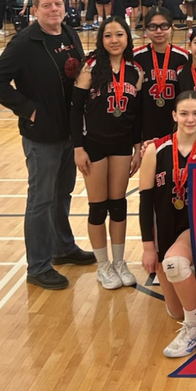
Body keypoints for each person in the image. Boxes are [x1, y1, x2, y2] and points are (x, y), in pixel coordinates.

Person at [0, 0, 97, 290]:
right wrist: (29, 110)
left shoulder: (70, 34)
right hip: (42, 136)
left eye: (57, 4)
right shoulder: (24, 42)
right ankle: (38, 266)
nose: (53, 10)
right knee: (40, 200)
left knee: (62, 195)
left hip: (69, 134)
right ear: (34, 10)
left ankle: (63, 248)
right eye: (46, 6)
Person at [70, 16, 142, 290]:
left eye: (119, 35)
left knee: (119, 204)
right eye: (108, 35)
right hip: (94, 145)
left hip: (122, 145)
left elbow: (136, 115)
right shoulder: (90, 68)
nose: (114, 40)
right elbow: (76, 111)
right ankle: (103, 266)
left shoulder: (135, 71)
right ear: (101, 40)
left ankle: (120, 262)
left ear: (127, 38)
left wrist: (137, 147)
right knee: (98, 207)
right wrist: (78, 148)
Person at [142, 91, 196, 356]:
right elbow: (144, 202)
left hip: (195, 231)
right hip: (164, 230)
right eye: (184, 113)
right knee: (175, 311)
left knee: (175, 263)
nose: (190, 119)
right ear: (174, 115)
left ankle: (195, 328)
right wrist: (148, 247)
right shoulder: (156, 149)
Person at [133, 6, 191, 145]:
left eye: (164, 26)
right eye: (153, 26)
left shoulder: (183, 57)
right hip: (147, 125)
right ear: (146, 29)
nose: (159, 31)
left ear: (171, 27)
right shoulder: (137, 57)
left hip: (176, 125)